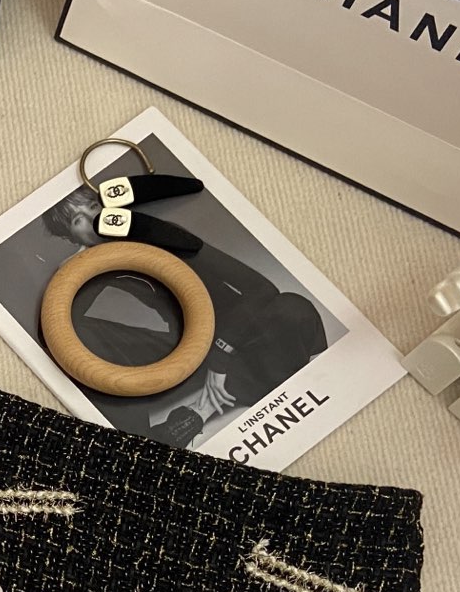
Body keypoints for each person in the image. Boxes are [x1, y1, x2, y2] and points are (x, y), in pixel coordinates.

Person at [40, 186, 330, 446]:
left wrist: (220, 358)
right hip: (187, 350)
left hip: (238, 331)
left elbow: (261, 289)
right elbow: (67, 328)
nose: (93, 219)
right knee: (80, 335)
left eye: (93, 207)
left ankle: (202, 410)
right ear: (70, 238)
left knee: (293, 308)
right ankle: (142, 439)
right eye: (78, 221)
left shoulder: (155, 232)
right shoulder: (93, 263)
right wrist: (70, 276)